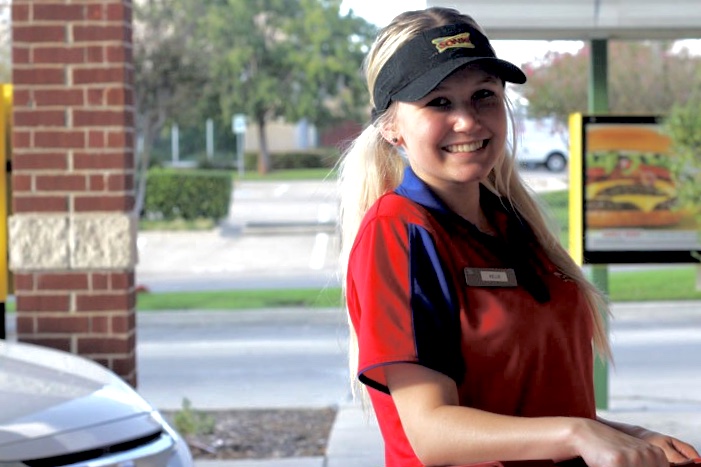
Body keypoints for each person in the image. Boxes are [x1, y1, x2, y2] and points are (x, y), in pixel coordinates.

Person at [337, 6, 700, 467]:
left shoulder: (512, 226)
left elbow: (531, 406)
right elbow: (433, 434)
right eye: (439, 102)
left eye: (483, 95)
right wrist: (578, 433)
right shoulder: (401, 232)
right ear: (391, 127)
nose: (468, 120)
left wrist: (626, 436)